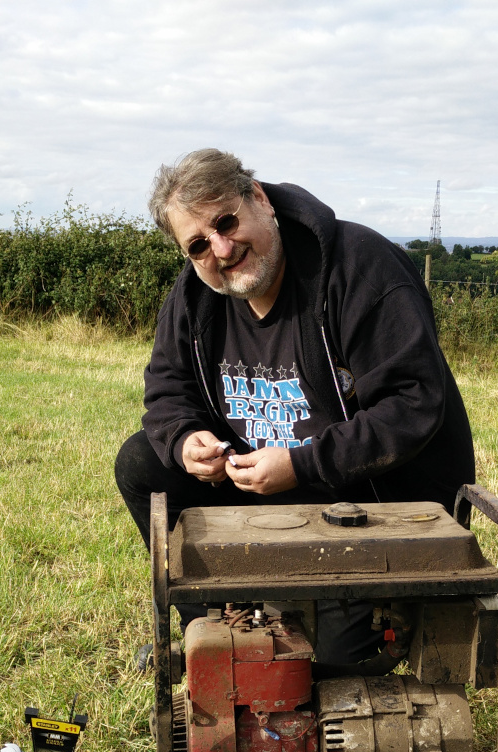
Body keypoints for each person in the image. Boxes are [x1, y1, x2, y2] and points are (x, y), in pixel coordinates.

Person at [115, 148, 475, 664]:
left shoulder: (360, 267)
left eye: (225, 221)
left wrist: (302, 463)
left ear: (258, 199)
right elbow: (167, 388)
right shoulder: (194, 297)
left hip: (373, 506)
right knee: (143, 462)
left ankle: (383, 616)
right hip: (267, 492)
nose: (220, 248)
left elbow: (413, 403)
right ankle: (216, 630)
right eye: (197, 245)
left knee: (328, 663)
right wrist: (184, 438)